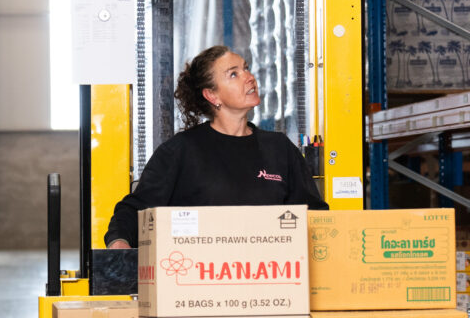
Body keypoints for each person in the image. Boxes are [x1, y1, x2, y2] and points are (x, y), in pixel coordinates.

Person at [105, 45, 328, 248]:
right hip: (202, 283)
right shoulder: (180, 151)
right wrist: (120, 246)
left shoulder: (280, 148)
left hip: (271, 281)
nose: (249, 77)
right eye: (234, 74)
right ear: (212, 95)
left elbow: (314, 216)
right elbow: (134, 211)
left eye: (246, 68)